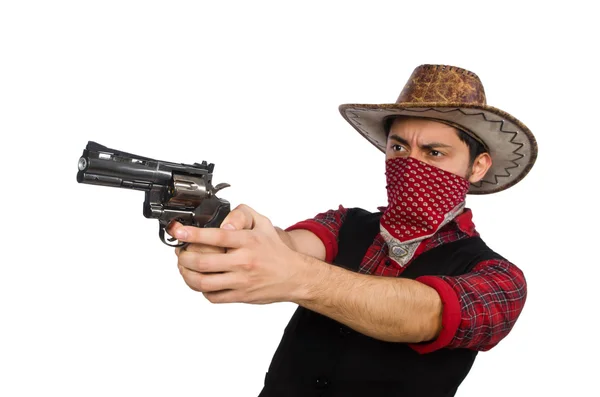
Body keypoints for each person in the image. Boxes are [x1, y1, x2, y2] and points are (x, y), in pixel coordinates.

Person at [167, 64, 538, 397]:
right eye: (398, 147)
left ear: (477, 167)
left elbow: (424, 314)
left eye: (434, 153)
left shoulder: (499, 280)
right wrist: (233, 234)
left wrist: (297, 277)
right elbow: (287, 246)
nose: (410, 164)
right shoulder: (344, 224)